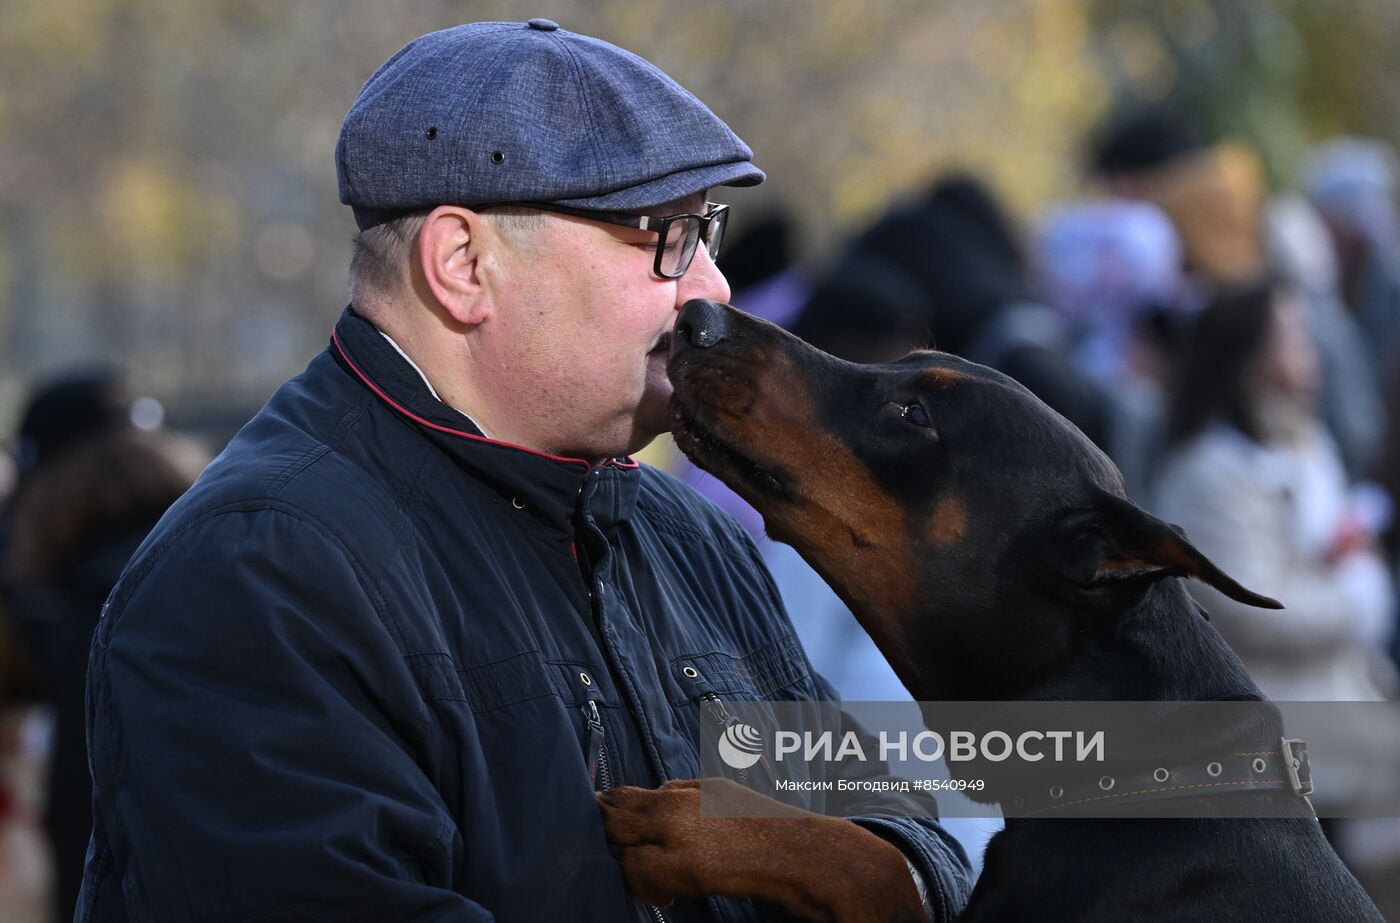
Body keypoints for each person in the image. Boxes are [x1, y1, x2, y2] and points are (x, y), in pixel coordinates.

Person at [75, 21, 971, 923]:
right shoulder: (258, 574)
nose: (713, 287)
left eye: (709, 234)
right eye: (666, 235)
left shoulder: (684, 534)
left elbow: (899, 821)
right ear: (464, 265)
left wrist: (878, 873)